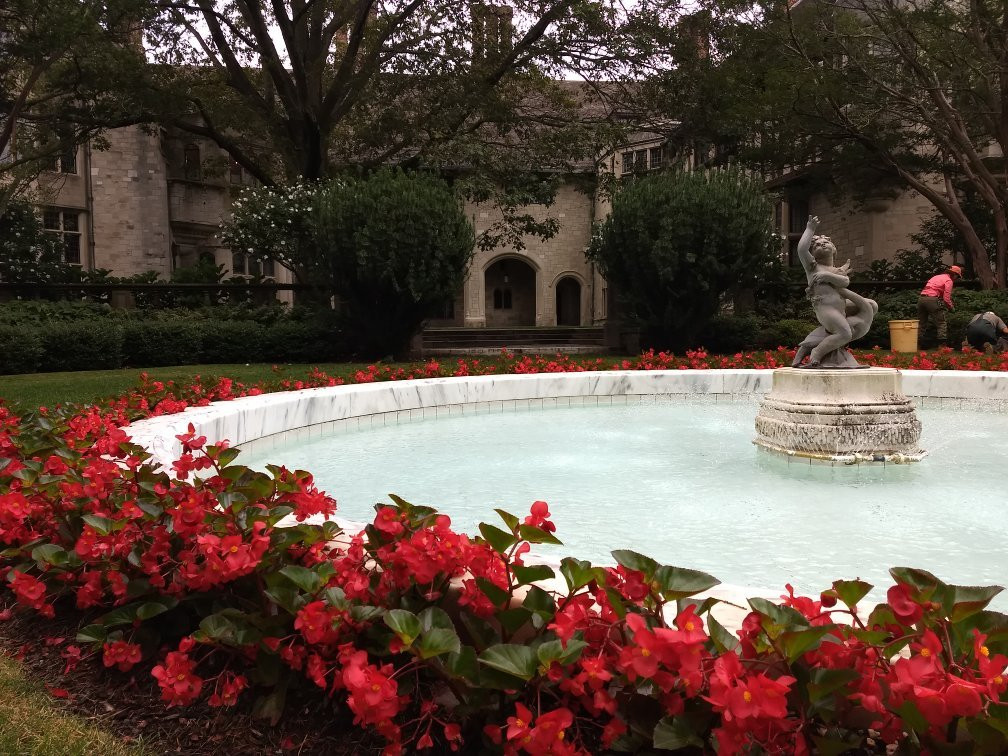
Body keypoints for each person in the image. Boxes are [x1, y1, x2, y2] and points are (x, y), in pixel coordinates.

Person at [795, 215, 854, 366]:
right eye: (816, 245)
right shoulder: (812, 267)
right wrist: (810, 229)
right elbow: (801, 249)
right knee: (845, 333)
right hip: (825, 308)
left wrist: (828, 275)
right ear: (813, 254)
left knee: (871, 305)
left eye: (826, 242)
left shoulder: (835, 270)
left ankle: (812, 343)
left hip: (841, 306)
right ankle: (817, 352)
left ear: (834, 249)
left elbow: (845, 281)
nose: (821, 244)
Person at [918, 265, 963, 344]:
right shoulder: (949, 280)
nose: (957, 279)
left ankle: (917, 344)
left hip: (921, 299)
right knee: (941, 323)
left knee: (922, 323)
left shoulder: (936, 277)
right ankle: (942, 347)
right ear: (954, 274)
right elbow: (946, 299)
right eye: (958, 276)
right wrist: (951, 308)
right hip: (932, 300)